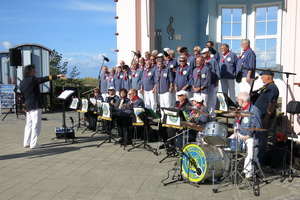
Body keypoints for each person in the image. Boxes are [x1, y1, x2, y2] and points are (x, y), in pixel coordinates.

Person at [20, 64, 66, 148]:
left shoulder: (22, 82)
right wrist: (58, 76)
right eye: (34, 70)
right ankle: (34, 143)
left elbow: (22, 96)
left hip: (28, 105)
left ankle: (26, 142)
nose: (35, 72)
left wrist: (24, 106)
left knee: (29, 125)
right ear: (29, 72)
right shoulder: (33, 79)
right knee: (36, 124)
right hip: (35, 105)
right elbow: (45, 79)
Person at [230, 92, 262, 179]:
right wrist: (235, 133)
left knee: (250, 152)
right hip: (239, 133)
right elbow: (235, 123)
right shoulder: (240, 109)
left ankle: (248, 173)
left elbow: (257, 127)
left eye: (238, 100)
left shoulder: (254, 110)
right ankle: (225, 170)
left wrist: (247, 137)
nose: (237, 101)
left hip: (251, 136)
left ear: (242, 100)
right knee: (225, 144)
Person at [253, 70, 279, 163]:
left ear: (268, 77)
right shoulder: (266, 87)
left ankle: (260, 159)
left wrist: (266, 118)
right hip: (259, 115)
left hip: (265, 117)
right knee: (258, 137)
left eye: (262, 76)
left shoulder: (273, 88)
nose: (261, 78)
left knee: (263, 138)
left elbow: (271, 104)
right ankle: (256, 157)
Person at [201, 47, 220, 114]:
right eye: (202, 53)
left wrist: (217, 80)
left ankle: (212, 112)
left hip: (212, 81)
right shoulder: (203, 61)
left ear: (208, 53)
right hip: (206, 83)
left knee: (212, 98)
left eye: (204, 53)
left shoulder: (213, 60)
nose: (203, 55)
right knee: (206, 98)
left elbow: (217, 70)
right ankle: (207, 111)